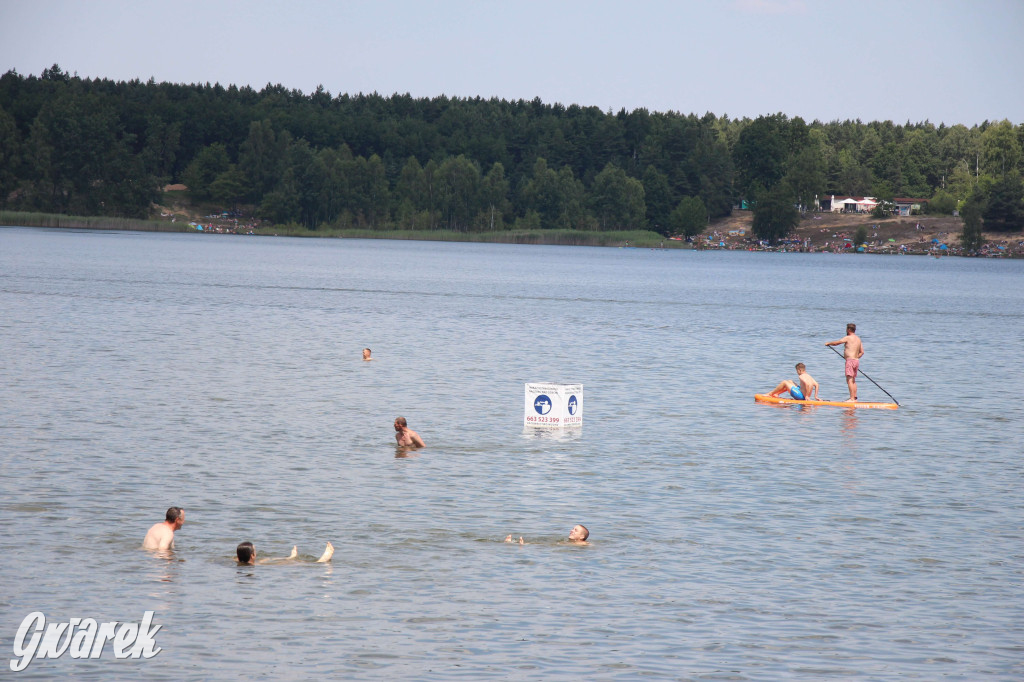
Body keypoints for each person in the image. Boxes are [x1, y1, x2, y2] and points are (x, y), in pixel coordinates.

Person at [826, 324, 864, 401]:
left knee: (849, 380)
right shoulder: (858, 339)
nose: (846, 331)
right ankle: (855, 397)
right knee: (853, 380)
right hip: (856, 361)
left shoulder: (848, 338)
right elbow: (862, 352)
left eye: (846, 329)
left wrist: (828, 343)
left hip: (850, 361)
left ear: (849, 330)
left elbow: (837, 343)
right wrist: (856, 357)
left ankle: (852, 398)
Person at [236, 541, 334, 565]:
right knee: (297, 564)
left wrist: (291, 557)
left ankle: (291, 557)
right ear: (252, 555)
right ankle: (321, 561)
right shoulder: (258, 565)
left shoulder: (237, 562)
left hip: (255, 563)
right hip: (261, 565)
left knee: (266, 560)